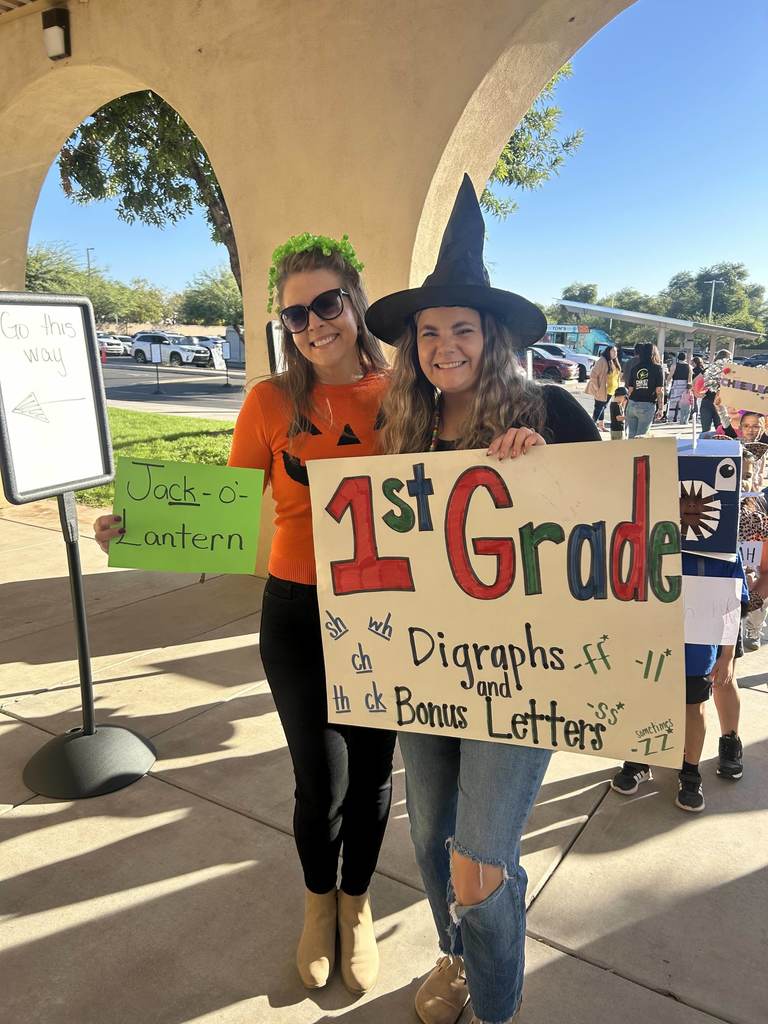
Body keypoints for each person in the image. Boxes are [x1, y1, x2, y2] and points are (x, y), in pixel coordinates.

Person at [95, 233, 396, 995]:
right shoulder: (269, 401)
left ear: (354, 301)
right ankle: (316, 906)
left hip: (388, 612)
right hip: (294, 610)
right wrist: (139, 520)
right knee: (316, 781)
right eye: (296, 314)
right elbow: (224, 507)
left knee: (370, 777)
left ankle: (356, 908)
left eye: (327, 303)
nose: (314, 323)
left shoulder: (403, 394)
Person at [366, 175, 601, 1024]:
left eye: (460, 329)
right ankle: (456, 957)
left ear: (489, 336)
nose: (443, 346)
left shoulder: (554, 411)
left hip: (521, 674)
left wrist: (548, 471)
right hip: (427, 667)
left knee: (480, 856)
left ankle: (497, 1006)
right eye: (428, 333)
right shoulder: (403, 435)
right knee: (430, 840)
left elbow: (608, 537)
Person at [625, 342, 664, 438]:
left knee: (631, 436)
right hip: (646, 405)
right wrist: (661, 408)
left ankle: (629, 453)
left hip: (632, 404)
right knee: (641, 438)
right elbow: (659, 391)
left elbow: (630, 389)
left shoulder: (635, 368)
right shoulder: (657, 368)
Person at [586, 345, 621, 426]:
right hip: (602, 390)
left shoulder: (614, 361)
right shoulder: (602, 360)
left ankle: (601, 426)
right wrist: (597, 388)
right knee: (599, 408)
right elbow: (593, 375)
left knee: (603, 407)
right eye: (613, 351)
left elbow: (617, 376)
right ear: (608, 351)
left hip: (611, 390)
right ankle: (592, 425)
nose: (615, 353)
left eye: (616, 351)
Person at [668, 352, 692, 424]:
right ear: (685, 358)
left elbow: (670, 376)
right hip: (684, 385)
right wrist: (689, 388)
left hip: (676, 384)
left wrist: (667, 383)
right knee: (683, 402)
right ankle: (679, 418)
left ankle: (671, 418)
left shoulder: (674, 365)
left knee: (673, 401)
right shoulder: (689, 366)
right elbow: (689, 379)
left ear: (678, 358)